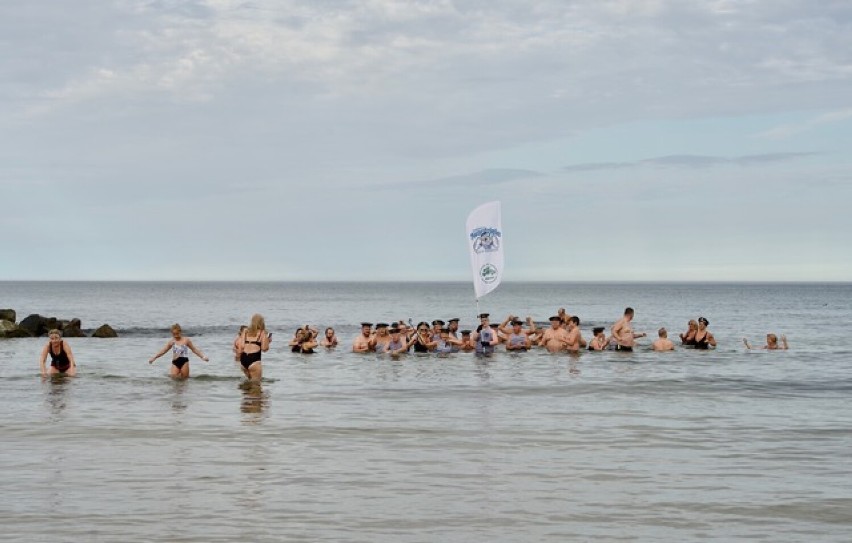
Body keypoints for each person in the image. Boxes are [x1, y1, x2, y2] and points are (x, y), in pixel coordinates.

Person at [235, 314, 271, 381]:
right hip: (254, 359)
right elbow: (264, 348)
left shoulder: (245, 331)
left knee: (248, 385)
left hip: (244, 360)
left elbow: (241, 346)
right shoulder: (262, 333)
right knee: (256, 386)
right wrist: (268, 341)